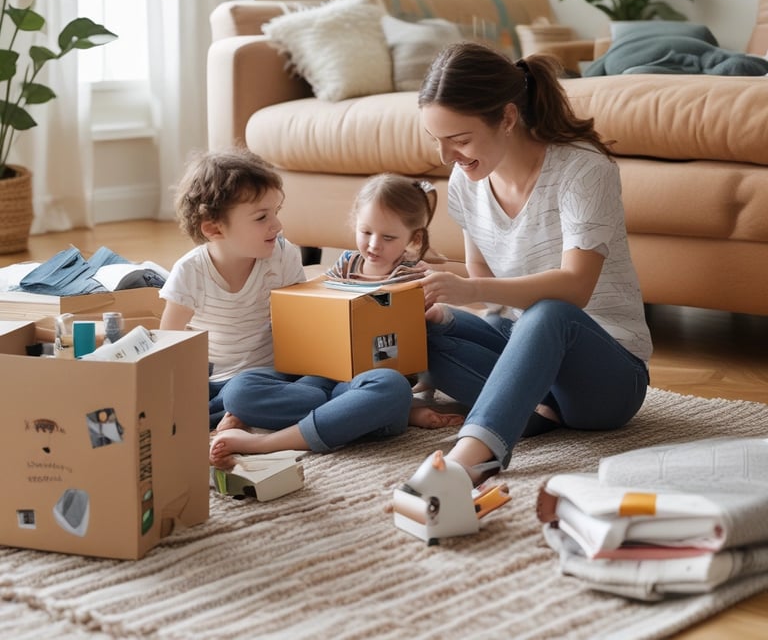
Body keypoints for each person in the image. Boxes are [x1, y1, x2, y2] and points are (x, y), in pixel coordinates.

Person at [408, 41, 652, 488]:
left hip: (606, 379)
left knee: (550, 312)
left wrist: (472, 291)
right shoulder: (468, 179)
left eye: (459, 140)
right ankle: (526, 410)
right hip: (523, 345)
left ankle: (472, 458)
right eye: (437, 141)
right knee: (419, 325)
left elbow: (575, 289)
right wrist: (429, 283)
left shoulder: (582, 169)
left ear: (506, 117)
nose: (447, 157)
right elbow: (481, 279)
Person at [158, 148, 415, 469]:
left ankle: (271, 432)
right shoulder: (191, 272)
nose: (277, 225)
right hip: (234, 387)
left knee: (392, 384)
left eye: (276, 211)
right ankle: (352, 413)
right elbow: (165, 349)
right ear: (213, 229)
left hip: (295, 376)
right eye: (262, 217)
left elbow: (302, 323)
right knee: (238, 393)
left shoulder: (283, 255)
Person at [325, 172, 465, 429]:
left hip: (392, 363)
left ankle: (405, 409)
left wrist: (428, 307)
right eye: (365, 232)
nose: (374, 245)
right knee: (317, 385)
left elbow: (434, 316)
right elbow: (322, 298)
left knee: (379, 386)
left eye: (388, 238)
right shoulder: (346, 263)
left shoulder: (410, 273)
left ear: (414, 239)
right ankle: (393, 411)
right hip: (342, 358)